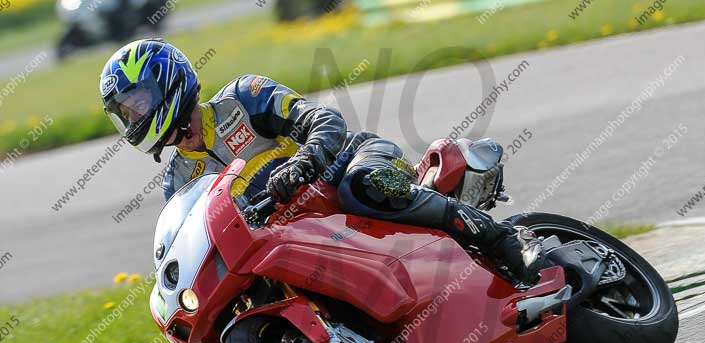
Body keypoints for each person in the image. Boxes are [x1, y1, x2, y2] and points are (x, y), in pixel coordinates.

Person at [99, 39, 542, 281]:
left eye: (137, 102)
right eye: (125, 112)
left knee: (363, 184)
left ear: (167, 81)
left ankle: (506, 239)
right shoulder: (179, 181)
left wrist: (305, 163)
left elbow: (323, 120)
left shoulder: (243, 97)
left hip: (348, 163)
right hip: (302, 233)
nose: (134, 116)